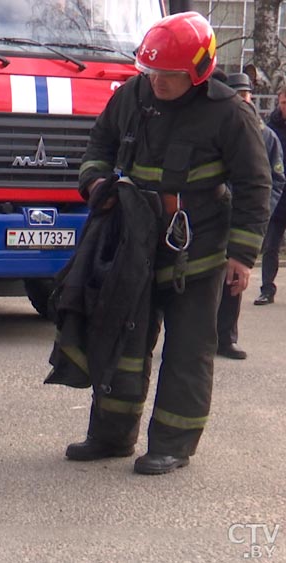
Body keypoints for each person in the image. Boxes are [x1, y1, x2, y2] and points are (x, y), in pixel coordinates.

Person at [55, 13, 270, 475]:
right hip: (132, 244)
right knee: (123, 338)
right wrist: (94, 183)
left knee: (187, 350)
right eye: (151, 72)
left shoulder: (230, 112)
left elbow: (256, 185)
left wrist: (242, 256)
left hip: (198, 251)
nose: (157, 82)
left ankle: (173, 443)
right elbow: (101, 143)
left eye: (168, 75)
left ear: (198, 71)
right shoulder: (133, 94)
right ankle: (111, 436)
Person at [214, 72, 285, 359]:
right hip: (212, 215)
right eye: (237, 95)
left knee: (235, 277)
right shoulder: (215, 129)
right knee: (204, 279)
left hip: (243, 217)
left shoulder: (265, 135)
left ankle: (226, 339)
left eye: (245, 95)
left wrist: (260, 210)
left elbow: (276, 179)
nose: (242, 100)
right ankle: (199, 339)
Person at [255, 84, 286, 306]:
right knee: (271, 246)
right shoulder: (269, 128)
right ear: (279, 102)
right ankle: (267, 289)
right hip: (277, 197)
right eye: (284, 103)